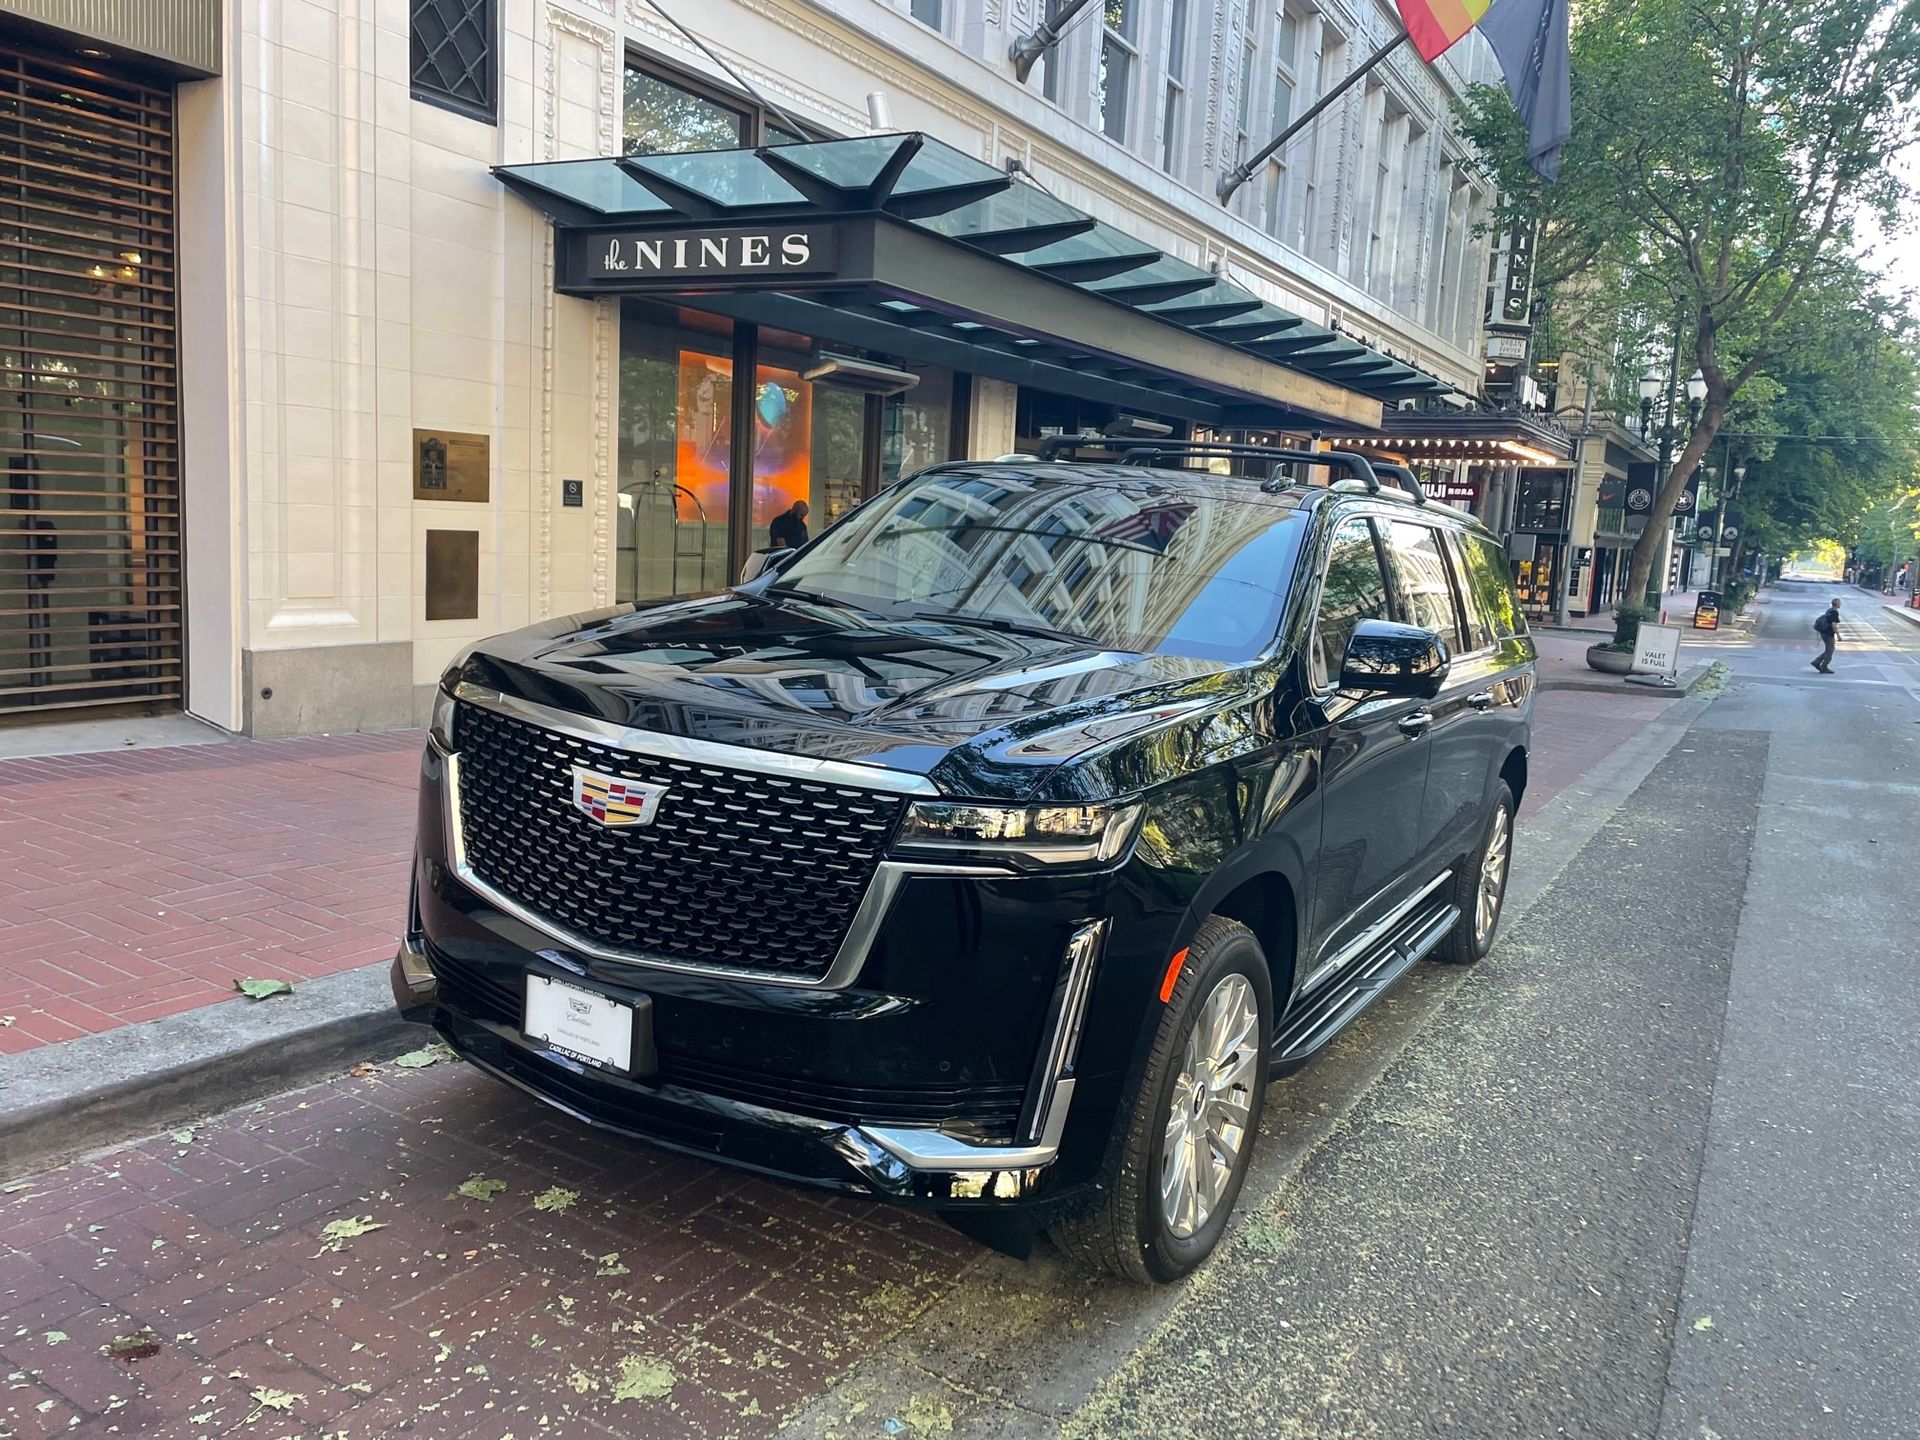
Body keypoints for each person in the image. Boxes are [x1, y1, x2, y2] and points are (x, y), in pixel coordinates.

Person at [1812, 596, 1841, 673]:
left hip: (1823, 633)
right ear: (1836, 604)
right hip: (1829, 633)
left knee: (1829, 650)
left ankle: (1817, 662)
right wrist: (1838, 635)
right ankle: (1824, 666)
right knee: (1830, 650)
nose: (1840, 604)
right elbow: (1833, 624)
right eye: (1839, 603)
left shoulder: (1829, 610)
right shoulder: (1834, 612)